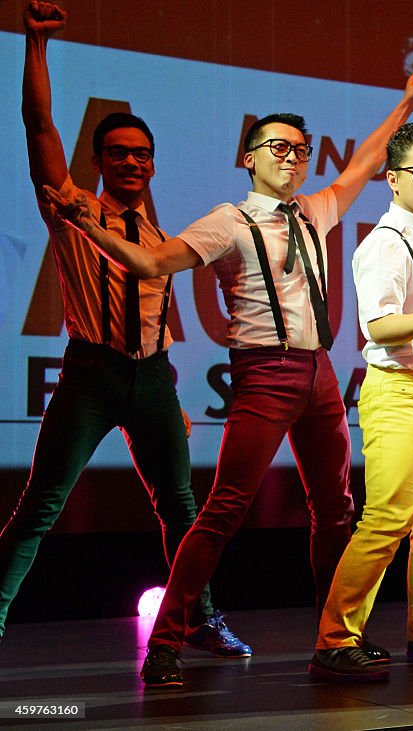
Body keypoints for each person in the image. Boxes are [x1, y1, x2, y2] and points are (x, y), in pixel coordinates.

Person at [46, 62, 413, 687]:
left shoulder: (317, 210)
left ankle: (336, 640)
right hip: (264, 375)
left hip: (320, 376)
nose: (292, 158)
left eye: (301, 150)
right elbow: (151, 261)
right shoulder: (228, 220)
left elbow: (363, 160)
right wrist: (92, 229)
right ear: (249, 158)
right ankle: (165, 644)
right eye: (278, 147)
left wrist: (405, 104)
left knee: (336, 511)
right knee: (223, 510)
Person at [0, 0, 249, 658]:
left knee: (182, 506)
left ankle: (199, 617)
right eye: (118, 154)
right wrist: (35, 45)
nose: (131, 163)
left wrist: (167, 388)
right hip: (90, 372)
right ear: (100, 160)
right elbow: (38, 126)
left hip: (150, 378)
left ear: (153, 164)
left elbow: (156, 313)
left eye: (141, 155)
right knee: (42, 504)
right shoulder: (74, 208)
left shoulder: (163, 239)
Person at [310, 123, 413, 681]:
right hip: (402, 392)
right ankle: (335, 639)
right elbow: (376, 326)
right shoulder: (385, 242)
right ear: (393, 179)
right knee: (387, 520)